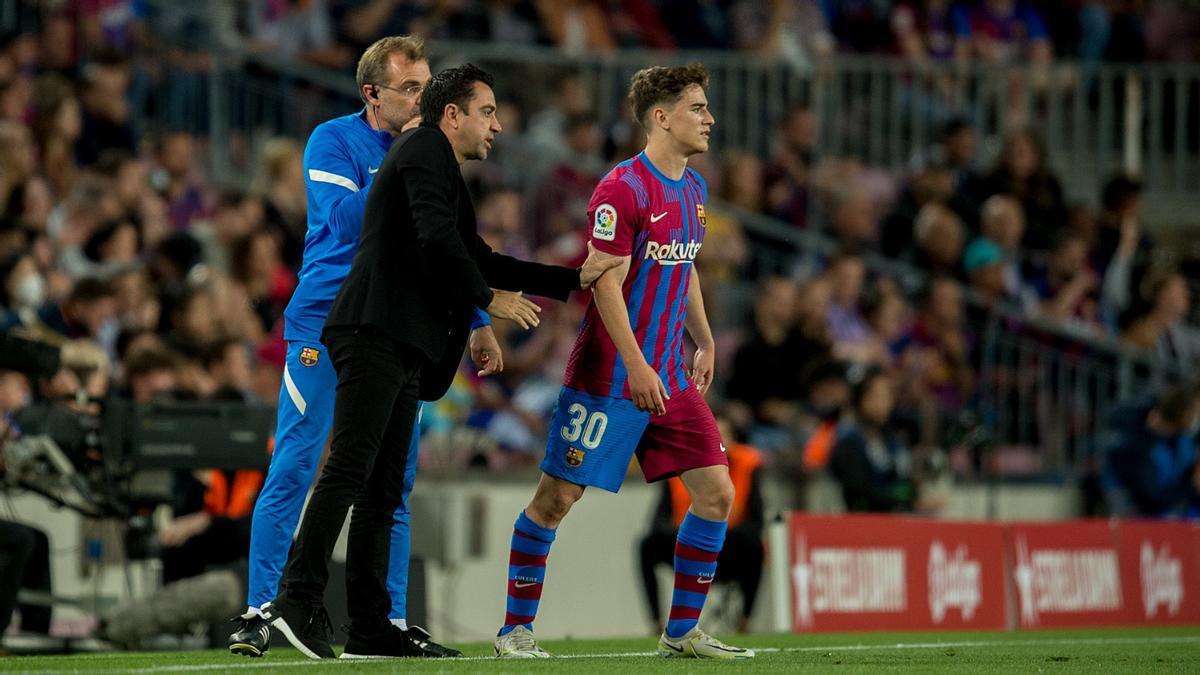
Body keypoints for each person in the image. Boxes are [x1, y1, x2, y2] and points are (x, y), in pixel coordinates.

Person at [262, 63, 619, 660]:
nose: (498, 126)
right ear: (451, 115)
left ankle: (371, 628)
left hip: (399, 337)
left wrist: (568, 279)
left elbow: (472, 251)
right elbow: (438, 240)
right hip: (374, 328)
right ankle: (295, 602)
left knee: (379, 489)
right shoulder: (424, 146)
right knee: (350, 470)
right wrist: (487, 300)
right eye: (487, 112)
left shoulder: (436, 163)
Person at [491, 64, 754, 660]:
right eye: (698, 108)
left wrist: (704, 340)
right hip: (610, 374)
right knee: (557, 499)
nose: (710, 118)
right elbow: (603, 283)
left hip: (668, 370)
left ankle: (681, 631)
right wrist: (637, 365)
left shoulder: (694, 188)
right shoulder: (621, 189)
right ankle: (515, 629)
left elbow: (683, 268)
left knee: (716, 492)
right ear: (661, 118)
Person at [229, 36, 479, 659]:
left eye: (426, 86)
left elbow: (446, 243)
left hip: (395, 328)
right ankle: (262, 609)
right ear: (372, 95)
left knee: (393, 480)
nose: (423, 100)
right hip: (324, 323)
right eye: (409, 89)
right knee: (297, 462)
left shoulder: (433, 153)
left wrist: (477, 316)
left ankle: (384, 620)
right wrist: (408, 163)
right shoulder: (332, 141)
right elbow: (342, 221)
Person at [637, 414, 764, 635]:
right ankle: (657, 623)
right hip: (684, 544)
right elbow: (658, 520)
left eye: (723, 436)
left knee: (755, 545)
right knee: (647, 544)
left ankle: (745, 620)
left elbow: (757, 518)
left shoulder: (747, 464)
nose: (719, 442)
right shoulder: (678, 463)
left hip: (730, 547)